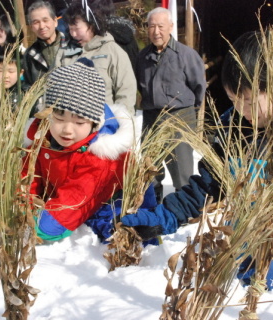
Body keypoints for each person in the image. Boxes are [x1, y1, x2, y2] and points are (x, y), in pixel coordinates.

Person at [122, 31, 273, 290]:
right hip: (241, 241)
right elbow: (210, 184)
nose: (242, 110)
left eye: (249, 101)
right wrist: (168, 214)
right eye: (233, 100)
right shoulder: (234, 125)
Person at [23, 58, 142, 241]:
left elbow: (68, 209)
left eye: (79, 122)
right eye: (59, 118)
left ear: (94, 123)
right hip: (64, 202)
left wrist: (33, 225)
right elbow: (26, 180)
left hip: (110, 214)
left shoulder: (101, 157)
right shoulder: (43, 141)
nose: (67, 130)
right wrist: (21, 208)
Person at [135, 7, 206, 201]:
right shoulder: (142, 57)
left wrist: (192, 113)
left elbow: (199, 86)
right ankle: (152, 205)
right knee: (151, 165)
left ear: (171, 27)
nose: (156, 31)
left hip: (180, 116)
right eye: (152, 26)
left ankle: (182, 207)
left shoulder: (186, 55)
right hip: (151, 118)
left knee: (181, 167)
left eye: (161, 26)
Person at [62, 0, 137, 114]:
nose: (73, 34)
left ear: (92, 24)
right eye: (70, 29)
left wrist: (120, 122)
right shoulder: (65, 51)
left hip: (103, 124)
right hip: (70, 125)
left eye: (77, 29)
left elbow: (126, 91)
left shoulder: (112, 51)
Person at [23, 0, 80, 89]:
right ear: (31, 27)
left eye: (45, 20)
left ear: (55, 21)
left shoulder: (74, 47)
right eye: (36, 22)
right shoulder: (30, 55)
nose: (41, 26)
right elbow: (28, 87)